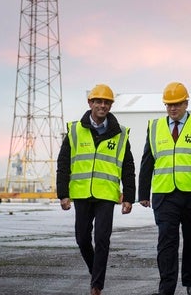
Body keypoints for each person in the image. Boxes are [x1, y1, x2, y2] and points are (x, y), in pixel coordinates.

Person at [138, 82, 191, 295]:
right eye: (169, 105)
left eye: (177, 104)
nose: (173, 109)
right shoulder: (155, 127)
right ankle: (166, 289)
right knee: (166, 241)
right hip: (165, 195)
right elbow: (147, 160)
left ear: (186, 103)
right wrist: (143, 193)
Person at [56, 84, 136, 295]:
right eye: (98, 101)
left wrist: (129, 197)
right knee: (82, 238)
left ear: (111, 105)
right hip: (81, 193)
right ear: (90, 103)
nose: (102, 105)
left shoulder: (120, 134)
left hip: (106, 195)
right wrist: (63, 194)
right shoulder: (74, 130)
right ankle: (95, 272)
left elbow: (128, 168)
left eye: (107, 102)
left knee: (102, 238)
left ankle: (96, 285)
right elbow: (63, 164)